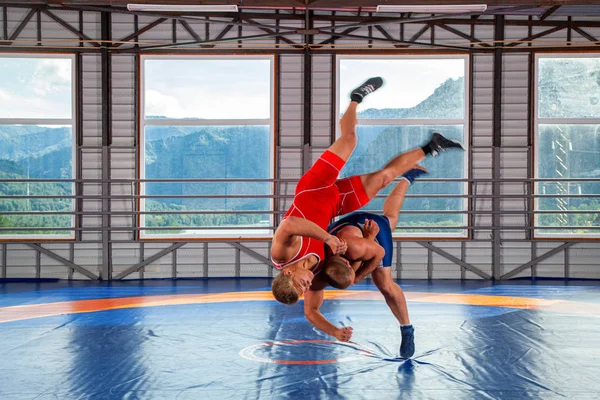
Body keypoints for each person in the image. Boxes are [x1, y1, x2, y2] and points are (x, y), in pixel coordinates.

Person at [270, 76, 464, 305]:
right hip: (335, 204)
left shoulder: (281, 255)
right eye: (305, 289)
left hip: (313, 190)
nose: (308, 284)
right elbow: (336, 278)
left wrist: (328, 237)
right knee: (384, 178)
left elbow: (290, 224)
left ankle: (356, 98)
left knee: (350, 140)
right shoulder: (317, 271)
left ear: (288, 273)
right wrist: (342, 247)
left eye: (302, 284)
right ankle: (433, 146)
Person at [303, 169, 426, 358]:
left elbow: (380, 253)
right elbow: (311, 311)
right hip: (344, 232)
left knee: (384, 283)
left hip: (368, 233)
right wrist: (335, 332)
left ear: (347, 261)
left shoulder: (357, 249)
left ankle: (406, 327)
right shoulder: (315, 273)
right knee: (391, 217)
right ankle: (407, 178)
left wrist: (360, 269)